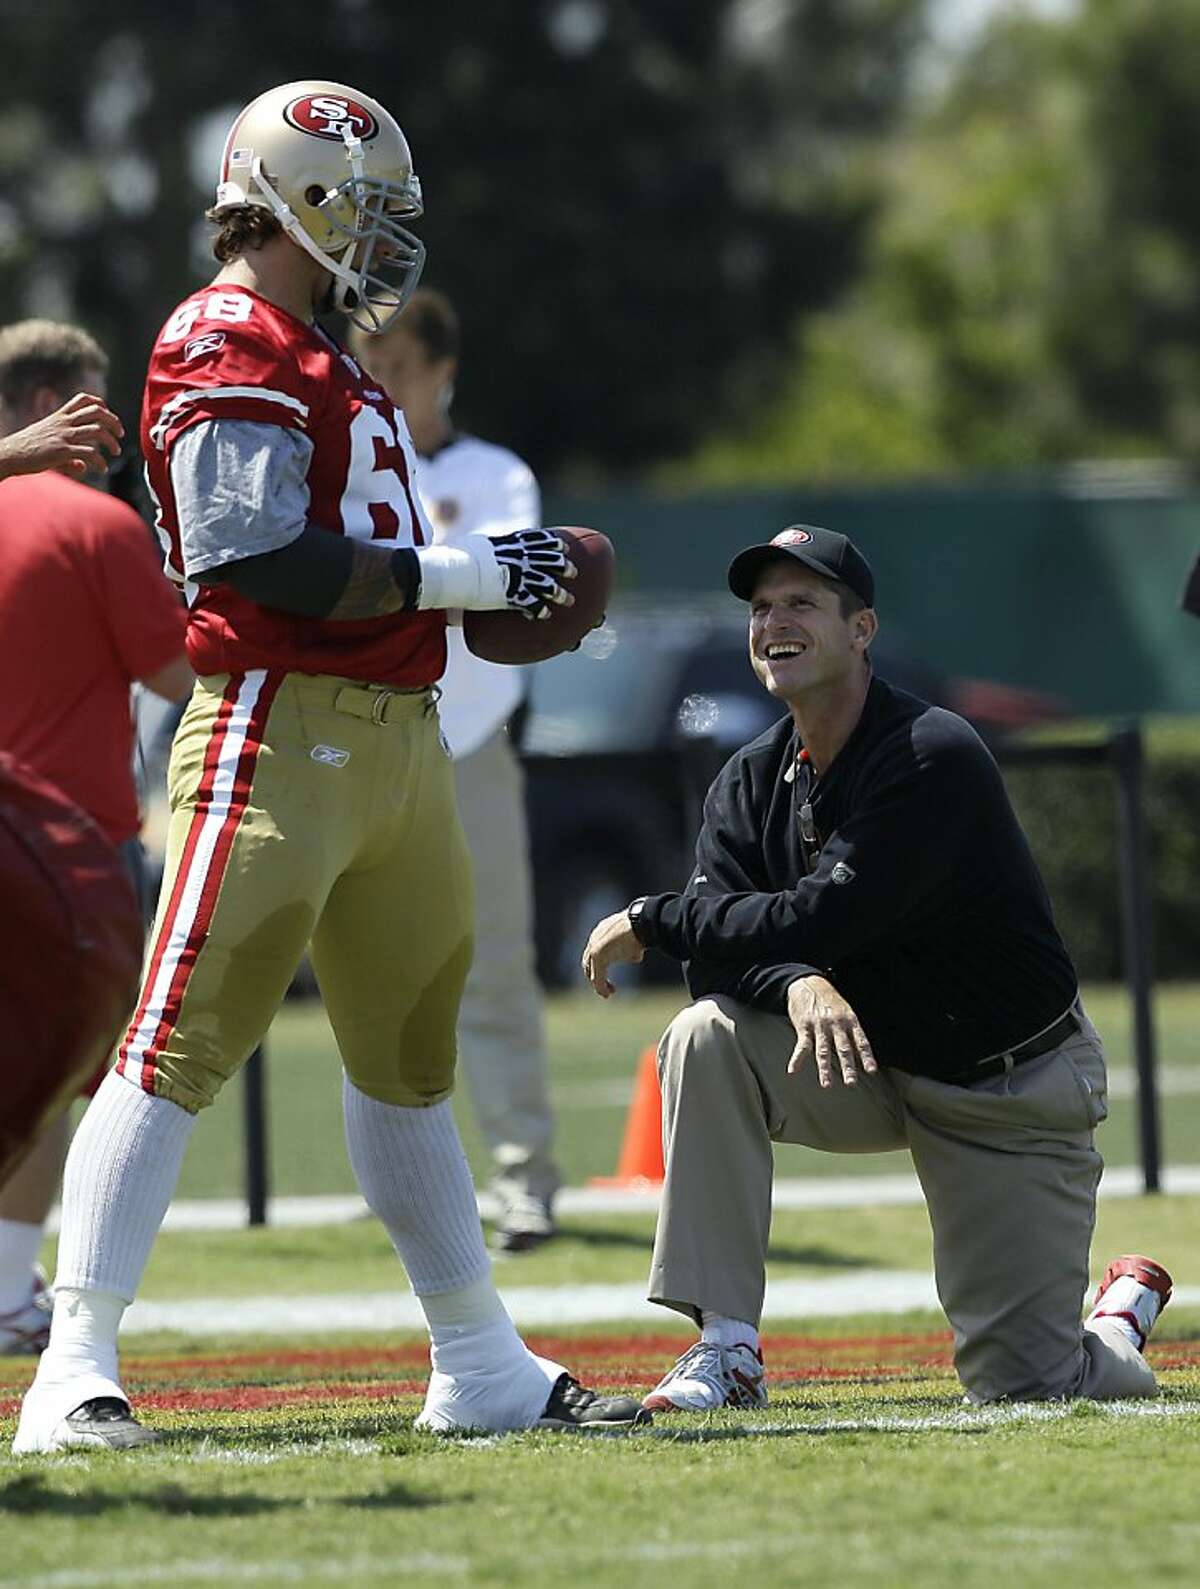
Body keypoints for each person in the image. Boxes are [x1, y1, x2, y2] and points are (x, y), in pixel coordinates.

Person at [15, 79, 642, 1452]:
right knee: (177, 1039)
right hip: (276, 725)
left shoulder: (326, 349)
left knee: (410, 1062)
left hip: (397, 741)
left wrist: (466, 597)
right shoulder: (224, 333)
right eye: (367, 202)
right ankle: (72, 1363)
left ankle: (475, 1357)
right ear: (302, 193)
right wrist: (472, 575)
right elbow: (253, 557)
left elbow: (369, 566)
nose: (386, 233)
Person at [582, 524, 1173, 1412]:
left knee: (1027, 1383)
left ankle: (1117, 1325)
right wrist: (796, 982)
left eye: (802, 603)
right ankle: (727, 1347)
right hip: (863, 1059)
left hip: (1002, 1083)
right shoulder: (747, 778)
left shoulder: (930, 752)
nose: (774, 622)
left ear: (862, 628)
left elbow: (827, 912)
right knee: (703, 1035)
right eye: (761, 607)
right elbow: (726, 958)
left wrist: (651, 917)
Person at [350, 289, 562, 1253]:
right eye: (371, 363)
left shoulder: (494, 471)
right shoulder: (347, 457)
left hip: (470, 742)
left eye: (400, 365)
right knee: (371, 966)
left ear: (443, 370)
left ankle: (526, 1179)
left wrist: (419, 568)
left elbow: (514, 576)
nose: (383, 381)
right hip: (367, 735)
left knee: (499, 966)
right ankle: (396, 1177)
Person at [0, 320, 191, 1356]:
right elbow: (180, 677)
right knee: (54, 1072)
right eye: (97, 402)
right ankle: (5, 1287)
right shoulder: (99, 524)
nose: (118, 428)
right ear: (46, 408)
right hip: (67, 847)